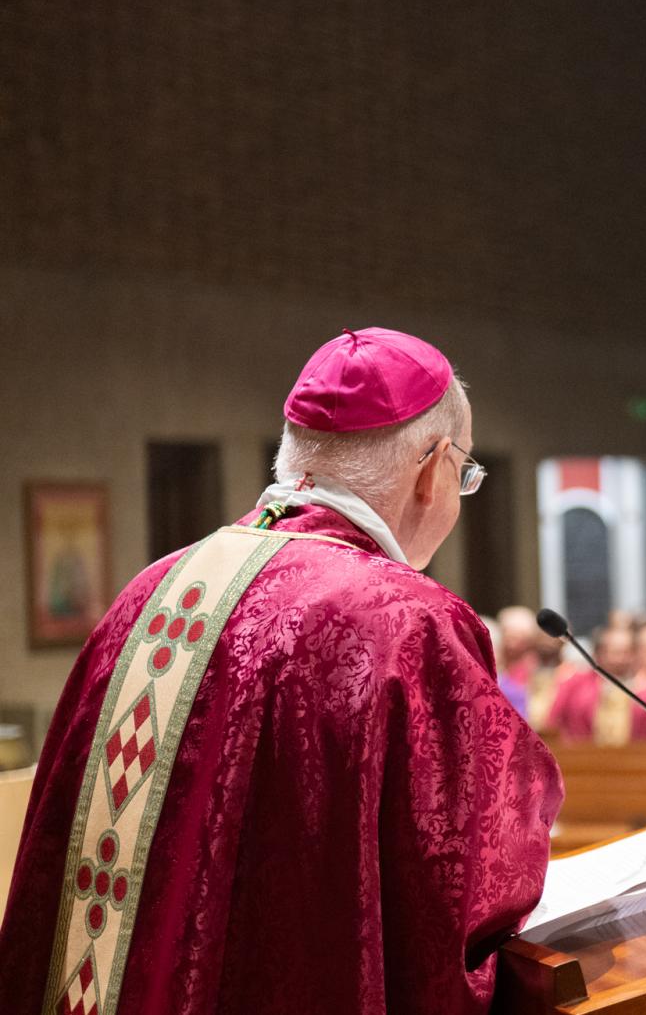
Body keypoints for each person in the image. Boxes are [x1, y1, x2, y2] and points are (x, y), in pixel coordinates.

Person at [0, 328, 562, 1015]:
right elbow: (470, 886)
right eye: (465, 475)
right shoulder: (406, 622)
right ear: (432, 466)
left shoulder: (149, 594)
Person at [545, 625, 638, 744]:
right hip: (583, 755)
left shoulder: (645, 689)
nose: (621, 659)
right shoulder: (575, 686)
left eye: (627, 652)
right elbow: (554, 722)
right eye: (615, 652)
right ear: (599, 653)